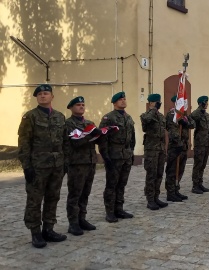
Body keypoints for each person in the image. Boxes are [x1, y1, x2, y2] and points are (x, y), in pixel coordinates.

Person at [18, 84, 68, 248]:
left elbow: (65, 142)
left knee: (53, 197)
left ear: (52, 96)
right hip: (38, 166)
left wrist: (65, 162)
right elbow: (24, 144)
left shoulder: (60, 117)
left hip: (56, 165)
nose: (42, 96)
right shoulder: (30, 117)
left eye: (46, 93)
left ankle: (49, 229)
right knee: (34, 199)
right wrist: (27, 167)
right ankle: (35, 232)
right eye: (39, 94)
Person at [65, 96, 103, 236]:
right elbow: (74, 142)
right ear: (71, 108)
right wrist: (89, 135)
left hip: (90, 161)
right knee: (75, 193)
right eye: (78, 105)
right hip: (76, 163)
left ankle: (82, 218)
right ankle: (73, 223)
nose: (81, 107)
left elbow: (94, 141)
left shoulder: (89, 123)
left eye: (82, 104)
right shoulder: (68, 124)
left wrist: (100, 135)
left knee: (85, 193)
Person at [99, 92, 136, 222]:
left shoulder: (129, 117)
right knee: (112, 184)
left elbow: (132, 137)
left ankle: (119, 208)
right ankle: (109, 212)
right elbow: (102, 139)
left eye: (125, 99)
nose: (123, 101)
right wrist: (105, 157)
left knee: (122, 184)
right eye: (120, 100)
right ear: (114, 103)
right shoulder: (108, 118)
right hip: (114, 156)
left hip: (126, 155)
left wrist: (131, 152)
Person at [139, 94, 169, 210]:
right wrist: (153, 110)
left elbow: (165, 132)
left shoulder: (161, 116)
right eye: (156, 102)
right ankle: (150, 199)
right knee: (151, 174)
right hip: (151, 149)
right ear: (150, 103)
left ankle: (156, 197)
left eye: (159, 102)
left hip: (160, 149)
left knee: (159, 173)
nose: (158, 103)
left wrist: (165, 148)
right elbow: (146, 123)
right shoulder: (145, 115)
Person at [165, 95, 195, 201]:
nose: (184, 104)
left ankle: (176, 189)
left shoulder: (184, 115)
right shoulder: (171, 115)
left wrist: (185, 122)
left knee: (180, 169)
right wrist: (178, 142)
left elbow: (193, 124)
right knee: (172, 170)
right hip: (175, 147)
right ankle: (170, 192)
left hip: (184, 146)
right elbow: (172, 130)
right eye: (182, 102)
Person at [190, 96, 209, 194]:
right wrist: (200, 109)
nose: (207, 104)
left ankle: (200, 183)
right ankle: (195, 185)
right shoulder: (196, 113)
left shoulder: (207, 115)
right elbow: (191, 121)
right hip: (200, 143)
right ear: (202, 103)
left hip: (206, 142)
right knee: (198, 164)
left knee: (203, 164)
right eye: (205, 103)